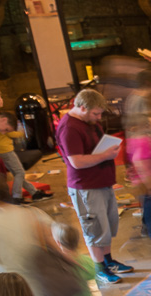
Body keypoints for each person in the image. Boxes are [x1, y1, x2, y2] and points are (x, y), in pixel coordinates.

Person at [54, 88, 132, 283]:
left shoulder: (89, 121)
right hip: (86, 186)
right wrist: (105, 155)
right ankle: (99, 268)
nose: (98, 118)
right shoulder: (70, 128)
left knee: (107, 225)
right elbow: (76, 161)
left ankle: (108, 261)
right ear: (82, 108)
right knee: (95, 228)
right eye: (96, 114)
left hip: (102, 181)